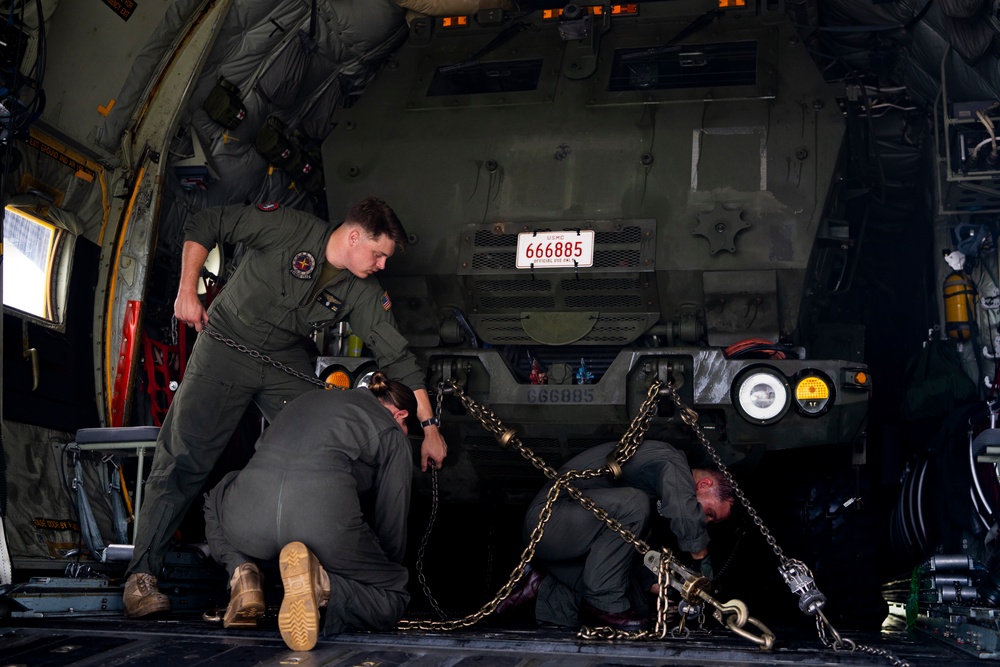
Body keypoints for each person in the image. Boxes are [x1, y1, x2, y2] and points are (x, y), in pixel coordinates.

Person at [123, 196, 447, 617]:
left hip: (282, 362)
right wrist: (187, 291)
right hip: (225, 345)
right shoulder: (286, 228)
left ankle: (330, 583)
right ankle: (142, 578)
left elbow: (398, 357)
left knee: (325, 450)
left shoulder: (363, 290)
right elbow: (209, 220)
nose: (382, 265)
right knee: (183, 458)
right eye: (379, 254)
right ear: (353, 236)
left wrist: (430, 426)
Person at [202, 371, 416, 651]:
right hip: (323, 524)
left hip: (249, 516)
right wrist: (378, 570)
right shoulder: (390, 430)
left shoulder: (308, 398)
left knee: (216, 498)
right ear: (400, 415)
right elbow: (392, 518)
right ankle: (322, 586)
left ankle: (243, 573)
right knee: (393, 594)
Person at [503, 440, 734, 630]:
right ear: (704, 484)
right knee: (635, 504)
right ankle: (606, 603)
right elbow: (683, 509)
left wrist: (654, 583)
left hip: (565, 542)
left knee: (636, 601)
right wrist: (701, 558)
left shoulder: (653, 503)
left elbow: (625, 550)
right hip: (548, 520)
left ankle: (542, 583)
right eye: (711, 513)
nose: (706, 521)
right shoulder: (672, 462)